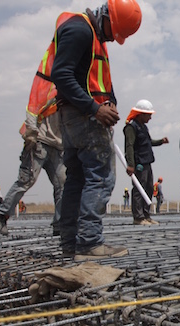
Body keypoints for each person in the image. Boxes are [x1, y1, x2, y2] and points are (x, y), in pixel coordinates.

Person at [52, 0, 141, 260]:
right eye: (114, 33)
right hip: (84, 118)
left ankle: (71, 244)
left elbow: (93, 78)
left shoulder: (91, 34)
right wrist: (95, 109)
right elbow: (62, 75)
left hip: (76, 117)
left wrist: (109, 102)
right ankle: (89, 242)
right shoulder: (81, 30)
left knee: (77, 179)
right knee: (101, 177)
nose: (113, 39)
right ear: (107, 18)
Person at [0, 49, 67, 237]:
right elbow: (32, 109)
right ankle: (0, 217)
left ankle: (59, 224)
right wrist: (31, 135)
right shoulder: (49, 89)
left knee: (63, 184)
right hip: (39, 142)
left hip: (57, 147)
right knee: (26, 181)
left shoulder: (73, 92)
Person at [123, 99, 169, 225]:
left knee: (148, 188)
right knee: (139, 189)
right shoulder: (131, 127)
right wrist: (131, 164)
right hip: (139, 164)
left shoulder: (143, 127)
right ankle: (138, 217)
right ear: (141, 114)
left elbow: (148, 142)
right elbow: (129, 146)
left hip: (147, 162)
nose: (150, 118)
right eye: (149, 115)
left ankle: (146, 215)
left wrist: (160, 141)